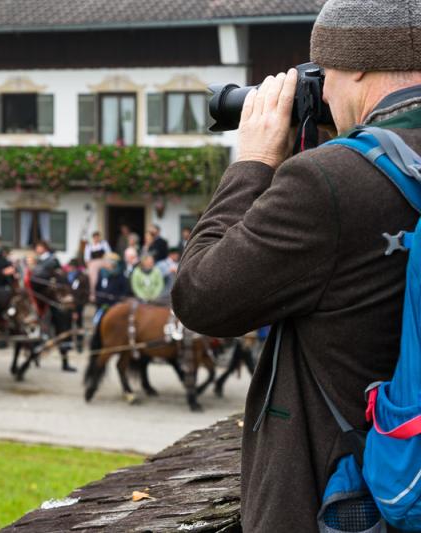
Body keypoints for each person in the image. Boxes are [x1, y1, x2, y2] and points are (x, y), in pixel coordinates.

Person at [172, 2, 421, 529]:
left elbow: (201, 297)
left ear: (358, 64)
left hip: (343, 503)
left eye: (323, 74)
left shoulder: (329, 181)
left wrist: (253, 162)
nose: (323, 94)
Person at [32, 241, 76, 372]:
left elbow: (55, 279)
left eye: (38, 247)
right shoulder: (40, 262)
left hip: (54, 303)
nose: (37, 249)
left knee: (61, 332)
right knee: (42, 332)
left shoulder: (51, 261)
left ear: (44, 248)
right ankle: (35, 357)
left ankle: (65, 362)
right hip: (43, 302)